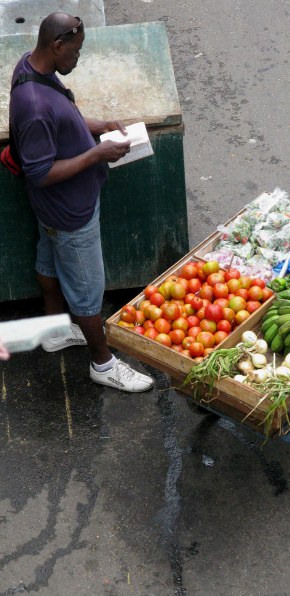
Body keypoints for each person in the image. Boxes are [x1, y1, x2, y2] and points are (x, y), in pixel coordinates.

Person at [8, 12, 154, 392]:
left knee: (48, 259)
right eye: (75, 52)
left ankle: (56, 331)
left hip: (50, 210)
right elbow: (40, 171)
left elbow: (65, 117)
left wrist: (99, 126)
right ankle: (103, 364)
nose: (78, 58)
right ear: (56, 46)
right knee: (88, 292)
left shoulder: (30, 67)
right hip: (70, 213)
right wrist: (95, 155)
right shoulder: (35, 108)